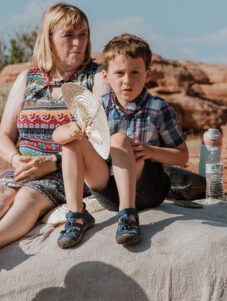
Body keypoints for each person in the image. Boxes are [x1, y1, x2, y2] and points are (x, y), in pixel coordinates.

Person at [0, 3, 107, 276]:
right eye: (69, 35)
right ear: (49, 39)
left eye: (83, 34)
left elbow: (100, 140)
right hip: (24, 166)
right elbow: (3, 136)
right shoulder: (29, 78)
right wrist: (15, 158)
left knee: (27, 195)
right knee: (1, 192)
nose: (78, 42)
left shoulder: (95, 78)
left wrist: (51, 163)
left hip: (69, 170)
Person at [52, 33, 189, 246]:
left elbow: (182, 156)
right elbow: (57, 136)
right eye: (120, 73)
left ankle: (128, 215)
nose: (127, 80)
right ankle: (77, 214)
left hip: (147, 187)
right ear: (106, 76)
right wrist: (70, 130)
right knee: (73, 143)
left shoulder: (158, 108)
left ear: (147, 75)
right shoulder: (98, 106)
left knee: (119, 140)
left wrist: (151, 151)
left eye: (135, 72)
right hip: (109, 191)